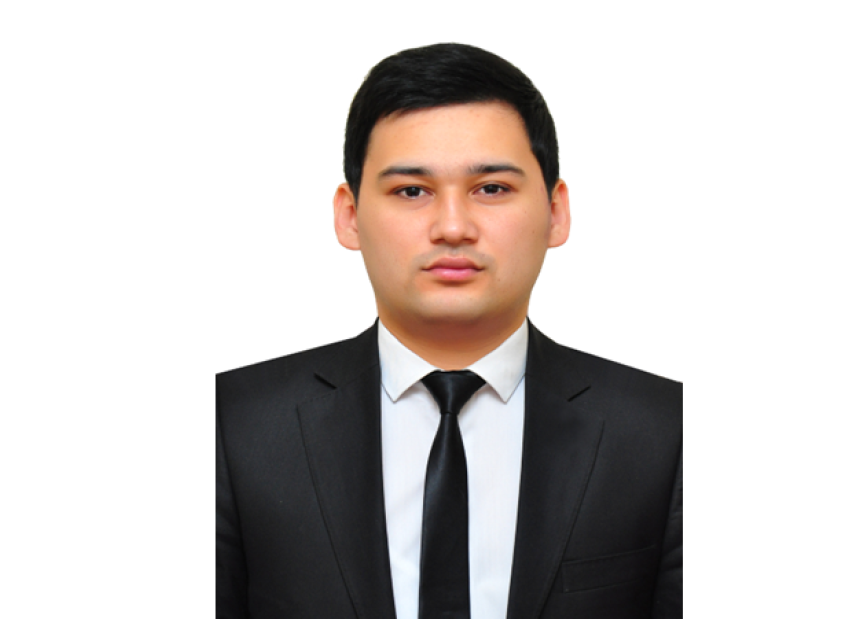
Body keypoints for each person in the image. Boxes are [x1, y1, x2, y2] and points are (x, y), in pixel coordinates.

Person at [216, 43, 682, 619]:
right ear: (350, 215)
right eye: (411, 191)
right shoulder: (231, 425)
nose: (453, 227)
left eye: (492, 188)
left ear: (556, 212)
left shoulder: (667, 432)